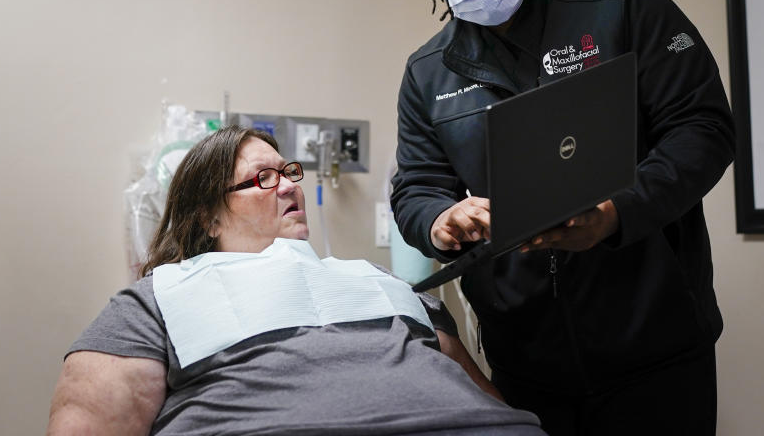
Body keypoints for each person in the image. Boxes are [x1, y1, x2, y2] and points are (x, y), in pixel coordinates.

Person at [390, 0, 736, 435]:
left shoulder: (622, 6)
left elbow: (702, 129)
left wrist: (616, 213)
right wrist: (440, 219)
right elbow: (416, 188)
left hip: (655, 346)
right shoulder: (430, 72)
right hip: (521, 360)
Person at [47, 125, 544, 436]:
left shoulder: (383, 283)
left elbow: (480, 394)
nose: (288, 185)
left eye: (288, 171)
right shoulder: (158, 299)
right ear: (206, 218)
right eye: (262, 179)